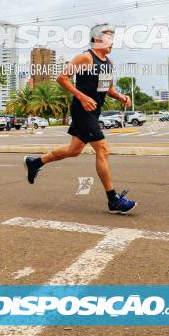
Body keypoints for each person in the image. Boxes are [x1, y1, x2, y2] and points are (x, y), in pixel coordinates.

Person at [23, 23, 136, 214]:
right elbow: (62, 77)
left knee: (73, 150)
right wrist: (82, 96)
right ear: (97, 40)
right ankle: (113, 200)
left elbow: (107, 88)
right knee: (103, 149)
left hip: (94, 111)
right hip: (82, 110)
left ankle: (35, 163)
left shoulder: (108, 63)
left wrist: (122, 97)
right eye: (108, 38)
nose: (112, 42)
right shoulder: (85, 57)